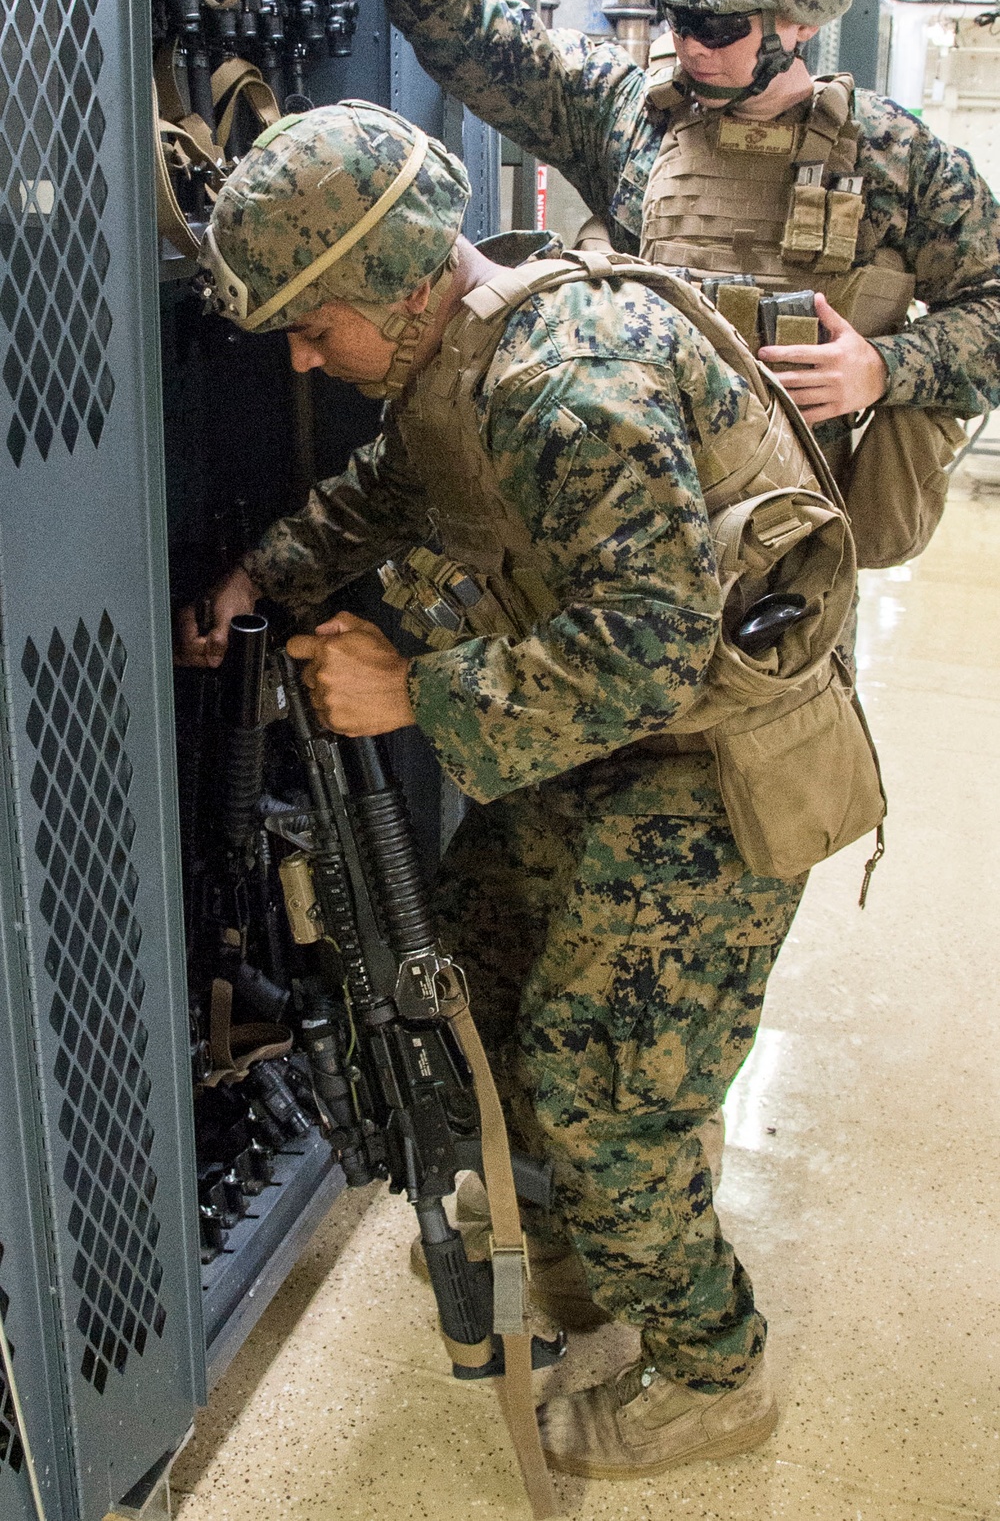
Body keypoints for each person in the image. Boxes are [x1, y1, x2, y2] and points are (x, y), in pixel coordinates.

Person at [176, 97, 882, 1481]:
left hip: (715, 766)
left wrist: (412, 694)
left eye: (317, 324)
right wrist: (272, 569)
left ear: (394, 288)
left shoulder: (572, 387)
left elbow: (656, 640)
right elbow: (405, 475)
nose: (307, 354)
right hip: (609, 740)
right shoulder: (463, 341)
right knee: (478, 989)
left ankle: (714, 1369)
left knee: (605, 1096)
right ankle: (604, 1287)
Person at [258, 0, 1000, 528]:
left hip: (792, 549)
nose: (689, 46)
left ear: (801, 18)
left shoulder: (899, 160)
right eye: (676, 16)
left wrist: (884, 370)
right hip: (623, 526)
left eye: (718, 26)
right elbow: (468, 32)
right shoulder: (626, 107)